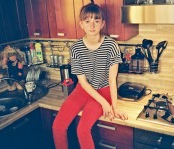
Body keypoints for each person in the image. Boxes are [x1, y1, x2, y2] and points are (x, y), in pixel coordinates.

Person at [52, 3, 128, 149]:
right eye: (87, 21)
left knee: (82, 130)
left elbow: (112, 80)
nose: (92, 25)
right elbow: (83, 82)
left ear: (102, 24)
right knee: (58, 126)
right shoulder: (75, 48)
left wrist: (114, 106)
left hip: (104, 91)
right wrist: (105, 104)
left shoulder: (111, 45)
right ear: (81, 24)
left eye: (96, 21)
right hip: (83, 90)